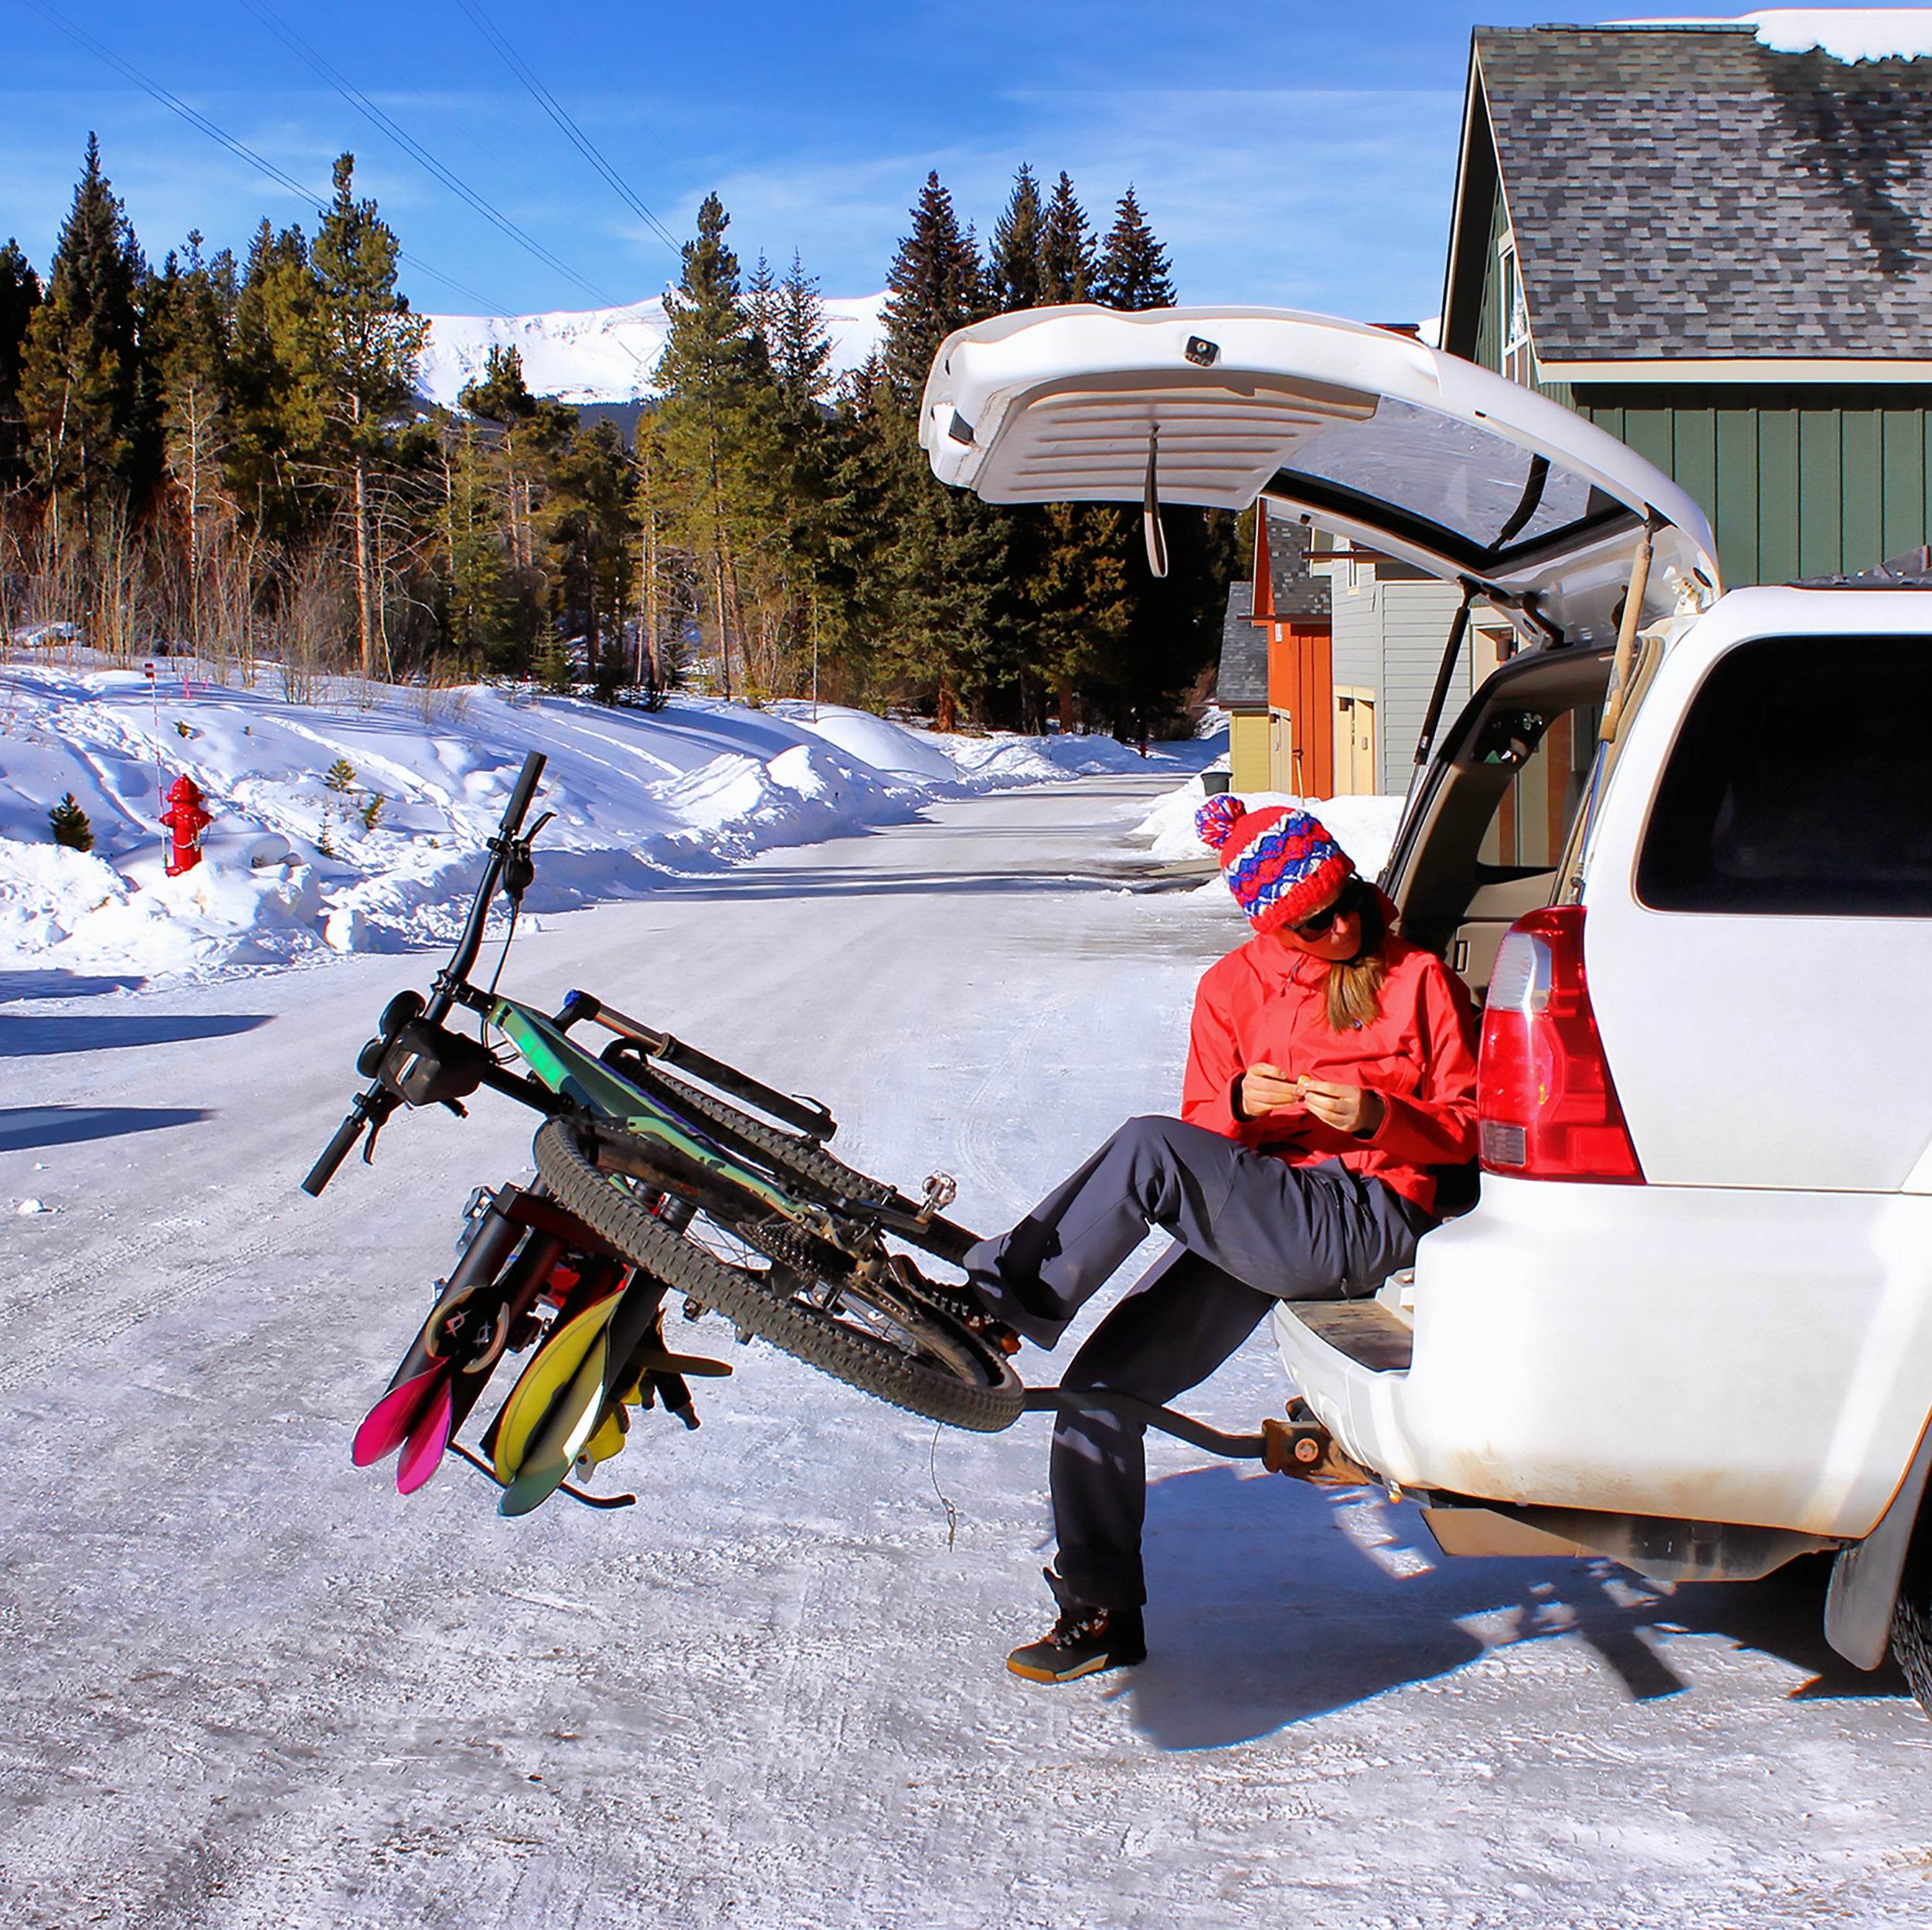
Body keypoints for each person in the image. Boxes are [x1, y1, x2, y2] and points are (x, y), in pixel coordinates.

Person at [962, 794, 1480, 1683]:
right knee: (1100, 1389)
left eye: (1346, 899)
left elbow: (1469, 1128)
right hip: (1266, 1207)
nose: (1342, 926)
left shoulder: (1414, 976)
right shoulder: (1230, 988)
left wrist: (1381, 1113)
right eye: (1314, 923)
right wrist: (1241, 1107)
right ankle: (1101, 1611)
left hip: (1365, 1213)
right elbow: (1205, 1121)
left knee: (1146, 1142)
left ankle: (992, 1309)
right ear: (1275, 926)